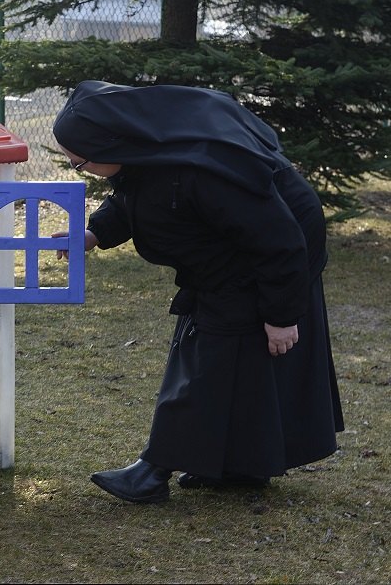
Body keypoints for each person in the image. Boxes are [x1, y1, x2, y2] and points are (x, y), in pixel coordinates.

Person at [50, 80, 344, 503]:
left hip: (269, 254)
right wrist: (92, 233)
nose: (78, 166)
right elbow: (133, 196)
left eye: (79, 163)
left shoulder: (204, 172)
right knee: (235, 360)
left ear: (112, 147)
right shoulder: (151, 152)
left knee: (210, 358)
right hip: (231, 254)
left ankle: (152, 472)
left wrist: (282, 315)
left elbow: (279, 240)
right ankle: (240, 468)